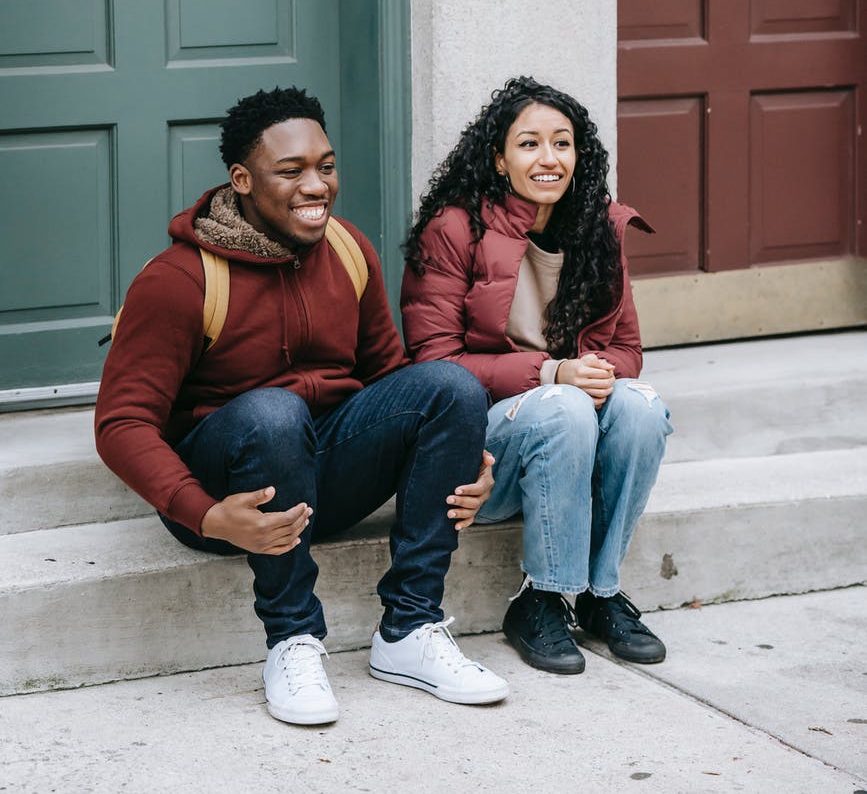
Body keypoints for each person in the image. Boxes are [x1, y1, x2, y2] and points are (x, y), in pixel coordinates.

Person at [95, 86, 508, 726]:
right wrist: (205, 514)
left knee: (451, 386)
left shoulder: (347, 249)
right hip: (226, 498)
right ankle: (292, 638)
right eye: (291, 171)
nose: (316, 185)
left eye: (326, 166)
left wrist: (460, 461)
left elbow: (391, 381)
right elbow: (122, 425)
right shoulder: (180, 280)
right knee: (272, 413)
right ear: (242, 180)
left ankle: (410, 630)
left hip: (320, 480)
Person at [401, 76, 672, 675]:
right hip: (489, 454)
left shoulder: (598, 229)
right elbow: (433, 365)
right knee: (564, 404)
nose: (549, 158)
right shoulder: (455, 229)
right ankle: (541, 598)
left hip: (570, 430)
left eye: (562, 143)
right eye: (529, 144)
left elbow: (626, 348)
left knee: (641, 405)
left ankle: (600, 596)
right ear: (498, 159)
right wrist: (553, 373)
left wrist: (598, 373)